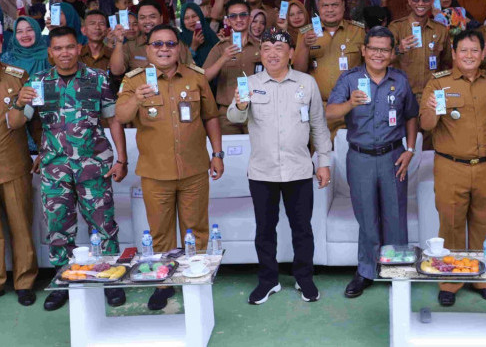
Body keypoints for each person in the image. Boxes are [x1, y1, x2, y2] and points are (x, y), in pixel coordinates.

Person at [8, 26, 128, 312]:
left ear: (79, 48)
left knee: (104, 225)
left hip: (93, 166)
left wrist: (121, 159)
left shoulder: (97, 79)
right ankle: (65, 282)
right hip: (54, 169)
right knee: (59, 230)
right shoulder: (37, 82)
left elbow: (113, 121)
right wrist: (18, 102)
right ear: (51, 53)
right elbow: (15, 123)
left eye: (70, 47)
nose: (65, 53)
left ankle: (109, 281)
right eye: (59, 48)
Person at [115, 24, 223, 310]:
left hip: (194, 170)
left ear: (179, 48)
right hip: (155, 173)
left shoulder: (196, 77)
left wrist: (218, 153)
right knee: (160, 234)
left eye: (170, 44)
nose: (164, 49)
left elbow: (211, 116)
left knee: (196, 230)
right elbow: (120, 115)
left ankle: (195, 280)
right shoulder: (134, 80)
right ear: (148, 49)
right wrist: (137, 99)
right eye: (158, 44)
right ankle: (164, 284)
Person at [227, 28, 331, 304]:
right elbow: (235, 117)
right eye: (267, 48)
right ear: (261, 54)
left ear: (291, 54)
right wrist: (239, 104)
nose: (273, 53)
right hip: (262, 171)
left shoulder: (306, 83)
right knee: (264, 230)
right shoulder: (249, 82)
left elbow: (319, 125)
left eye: (279, 48)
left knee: (302, 228)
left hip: (299, 169)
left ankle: (304, 278)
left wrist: (324, 161)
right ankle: (268, 280)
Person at [420, 29, 486, 306]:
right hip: (451, 166)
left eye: (474, 50)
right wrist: (432, 110)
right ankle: (451, 282)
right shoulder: (438, 84)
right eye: (463, 50)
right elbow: (426, 125)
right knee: (450, 225)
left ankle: (480, 278)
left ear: (482, 52)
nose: (469, 55)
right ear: (453, 53)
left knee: (484, 225)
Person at [326, 26, 419, 298]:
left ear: (392, 53)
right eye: (373, 49)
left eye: (384, 49)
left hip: (393, 156)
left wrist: (410, 149)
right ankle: (366, 271)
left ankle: (397, 269)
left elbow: (411, 115)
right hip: (360, 157)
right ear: (364, 51)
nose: (378, 54)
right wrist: (349, 105)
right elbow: (330, 112)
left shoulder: (400, 81)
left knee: (395, 215)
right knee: (366, 217)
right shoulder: (350, 79)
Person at [292, 0, 366, 136]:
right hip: (319, 108)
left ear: (343, 6)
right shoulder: (306, 33)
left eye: (335, 5)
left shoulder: (358, 31)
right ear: (318, 8)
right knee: (321, 156)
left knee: (351, 154)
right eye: (325, 5)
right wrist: (305, 46)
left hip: (352, 107)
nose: (330, 9)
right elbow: (298, 72)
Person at [0, 60, 39, 307]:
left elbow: (34, 117)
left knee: (21, 226)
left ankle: (24, 282)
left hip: (13, 163)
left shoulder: (17, 76)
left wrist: (43, 147)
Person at [203, 0, 262, 134]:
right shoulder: (220, 48)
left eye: (243, 15)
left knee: (258, 153)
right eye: (233, 16)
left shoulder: (262, 46)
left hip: (257, 110)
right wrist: (223, 58)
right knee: (230, 153)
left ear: (250, 18)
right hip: (226, 113)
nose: (239, 19)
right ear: (228, 21)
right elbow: (203, 78)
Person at [389, 0, 451, 102]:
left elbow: (447, 64)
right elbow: (383, 60)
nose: (421, 3)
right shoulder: (396, 28)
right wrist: (399, 49)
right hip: (402, 97)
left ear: (432, 1)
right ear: (409, 0)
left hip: (431, 97)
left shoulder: (441, 30)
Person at [109, 0, 193, 76]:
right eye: (142, 17)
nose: (147, 21)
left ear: (161, 18)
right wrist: (119, 42)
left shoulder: (176, 44)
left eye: (152, 17)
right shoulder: (130, 46)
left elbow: (191, 72)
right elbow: (116, 71)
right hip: (142, 91)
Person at [180, 2, 218, 67]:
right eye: (186, 18)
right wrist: (194, 46)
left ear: (200, 16)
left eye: (194, 16)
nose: (191, 20)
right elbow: (181, 63)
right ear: (183, 22)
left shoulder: (209, 33)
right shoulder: (180, 39)